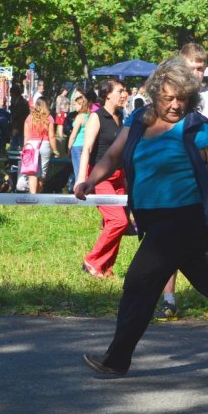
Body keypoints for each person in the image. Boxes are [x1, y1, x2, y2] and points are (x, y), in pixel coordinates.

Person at [75, 57, 208, 377]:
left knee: (139, 281)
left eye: (182, 98)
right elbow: (113, 155)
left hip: (184, 220)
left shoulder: (201, 130)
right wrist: (91, 180)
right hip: (155, 221)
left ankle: (116, 359)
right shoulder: (137, 121)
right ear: (154, 94)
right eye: (168, 98)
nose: (175, 105)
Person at [155, 42, 208, 324]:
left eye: (201, 69)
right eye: (193, 68)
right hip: (174, 178)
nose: (198, 74)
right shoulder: (170, 97)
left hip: (203, 175)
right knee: (168, 242)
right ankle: (168, 300)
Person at [76, 78, 128, 278]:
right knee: (118, 221)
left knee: (112, 224)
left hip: (120, 178)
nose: (124, 94)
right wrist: (82, 179)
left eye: (125, 91)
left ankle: (105, 267)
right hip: (101, 178)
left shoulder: (120, 117)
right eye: (120, 91)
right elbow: (87, 149)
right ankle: (92, 260)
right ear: (107, 94)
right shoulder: (96, 117)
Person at [22, 98, 59, 194]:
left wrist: (24, 148)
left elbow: (26, 136)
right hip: (44, 145)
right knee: (42, 173)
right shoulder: (49, 118)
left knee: (32, 173)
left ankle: (33, 196)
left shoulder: (29, 118)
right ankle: (38, 195)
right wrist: (55, 150)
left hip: (31, 146)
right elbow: (52, 136)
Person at [67, 88, 93, 187]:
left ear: (81, 105)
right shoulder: (90, 116)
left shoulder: (80, 117)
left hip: (77, 146)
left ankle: (78, 188)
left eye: (76, 105)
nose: (75, 107)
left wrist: (69, 147)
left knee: (78, 169)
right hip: (86, 144)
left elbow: (73, 134)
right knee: (86, 169)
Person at [8, 85, 30, 151]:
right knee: (14, 145)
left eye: (11, 93)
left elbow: (21, 117)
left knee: (19, 145)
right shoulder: (16, 102)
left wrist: (16, 128)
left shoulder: (22, 103)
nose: (10, 95)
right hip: (16, 126)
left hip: (20, 127)